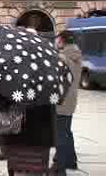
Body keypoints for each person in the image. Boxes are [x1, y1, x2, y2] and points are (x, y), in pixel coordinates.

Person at [51, 31, 82, 175]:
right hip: (70, 100)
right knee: (66, 132)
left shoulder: (61, 57)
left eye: (57, 40)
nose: (56, 42)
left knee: (60, 135)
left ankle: (59, 168)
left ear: (62, 41)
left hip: (61, 100)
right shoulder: (76, 54)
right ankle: (71, 161)